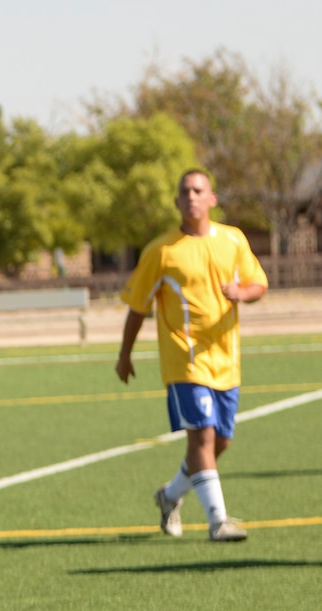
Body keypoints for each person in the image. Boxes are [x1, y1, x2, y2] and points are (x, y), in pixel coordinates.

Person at [117, 168, 267, 543]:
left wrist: (241, 293)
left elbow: (258, 283)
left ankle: (169, 497)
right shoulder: (162, 251)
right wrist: (125, 355)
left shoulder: (233, 240)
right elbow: (137, 307)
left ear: (212, 198)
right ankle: (218, 521)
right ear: (176, 202)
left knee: (220, 443)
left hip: (226, 360)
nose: (192, 197)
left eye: (199, 191)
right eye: (185, 192)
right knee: (201, 438)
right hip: (185, 361)